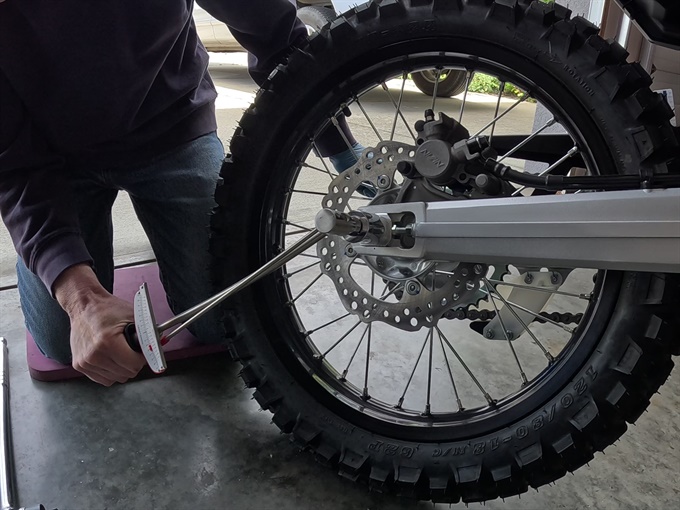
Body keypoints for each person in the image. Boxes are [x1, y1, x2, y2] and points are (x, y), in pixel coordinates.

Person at [0, 0, 361, 386]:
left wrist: (339, 146)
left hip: (171, 126)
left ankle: (179, 243)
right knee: (66, 343)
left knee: (226, 322)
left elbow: (271, 29)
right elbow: (12, 161)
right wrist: (80, 298)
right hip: (54, 162)